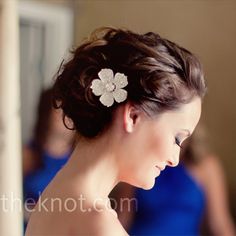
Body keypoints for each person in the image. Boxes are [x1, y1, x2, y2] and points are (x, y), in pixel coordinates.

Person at [25, 27, 206, 235]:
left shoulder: (56, 196)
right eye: (177, 138)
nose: (174, 159)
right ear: (133, 117)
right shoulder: (97, 223)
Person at [112, 126, 236, 236]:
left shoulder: (206, 166)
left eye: (179, 137)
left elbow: (220, 224)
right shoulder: (141, 163)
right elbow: (123, 217)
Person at [23, 88, 75, 223]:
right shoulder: (28, 155)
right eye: (60, 109)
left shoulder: (82, 158)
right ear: (46, 112)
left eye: (71, 110)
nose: (67, 116)